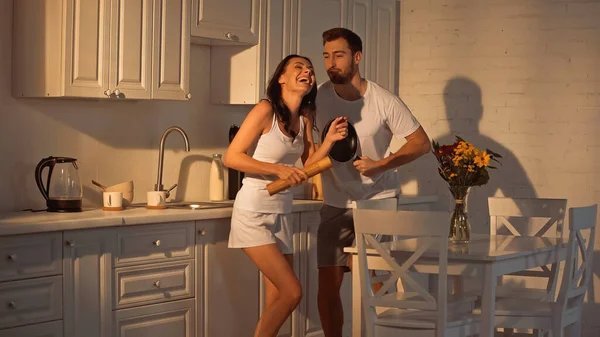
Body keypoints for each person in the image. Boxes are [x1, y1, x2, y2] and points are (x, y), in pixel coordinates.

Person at [315, 28, 432, 337]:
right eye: (326, 56)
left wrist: (382, 164)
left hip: (376, 203)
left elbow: (421, 143)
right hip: (335, 203)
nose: (331, 63)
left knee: (370, 279)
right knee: (328, 284)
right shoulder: (319, 97)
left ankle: (388, 332)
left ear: (357, 57)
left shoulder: (383, 101)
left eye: (338, 55)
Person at [224, 54, 348, 337]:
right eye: (299, 67)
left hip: (282, 212)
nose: (307, 71)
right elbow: (232, 157)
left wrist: (328, 141)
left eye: (310, 70)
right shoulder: (265, 110)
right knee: (292, 292)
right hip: (253, 211)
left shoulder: (304, 117)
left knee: (277, 297)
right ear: (281, 77)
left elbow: (307, 167)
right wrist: (277, 170)